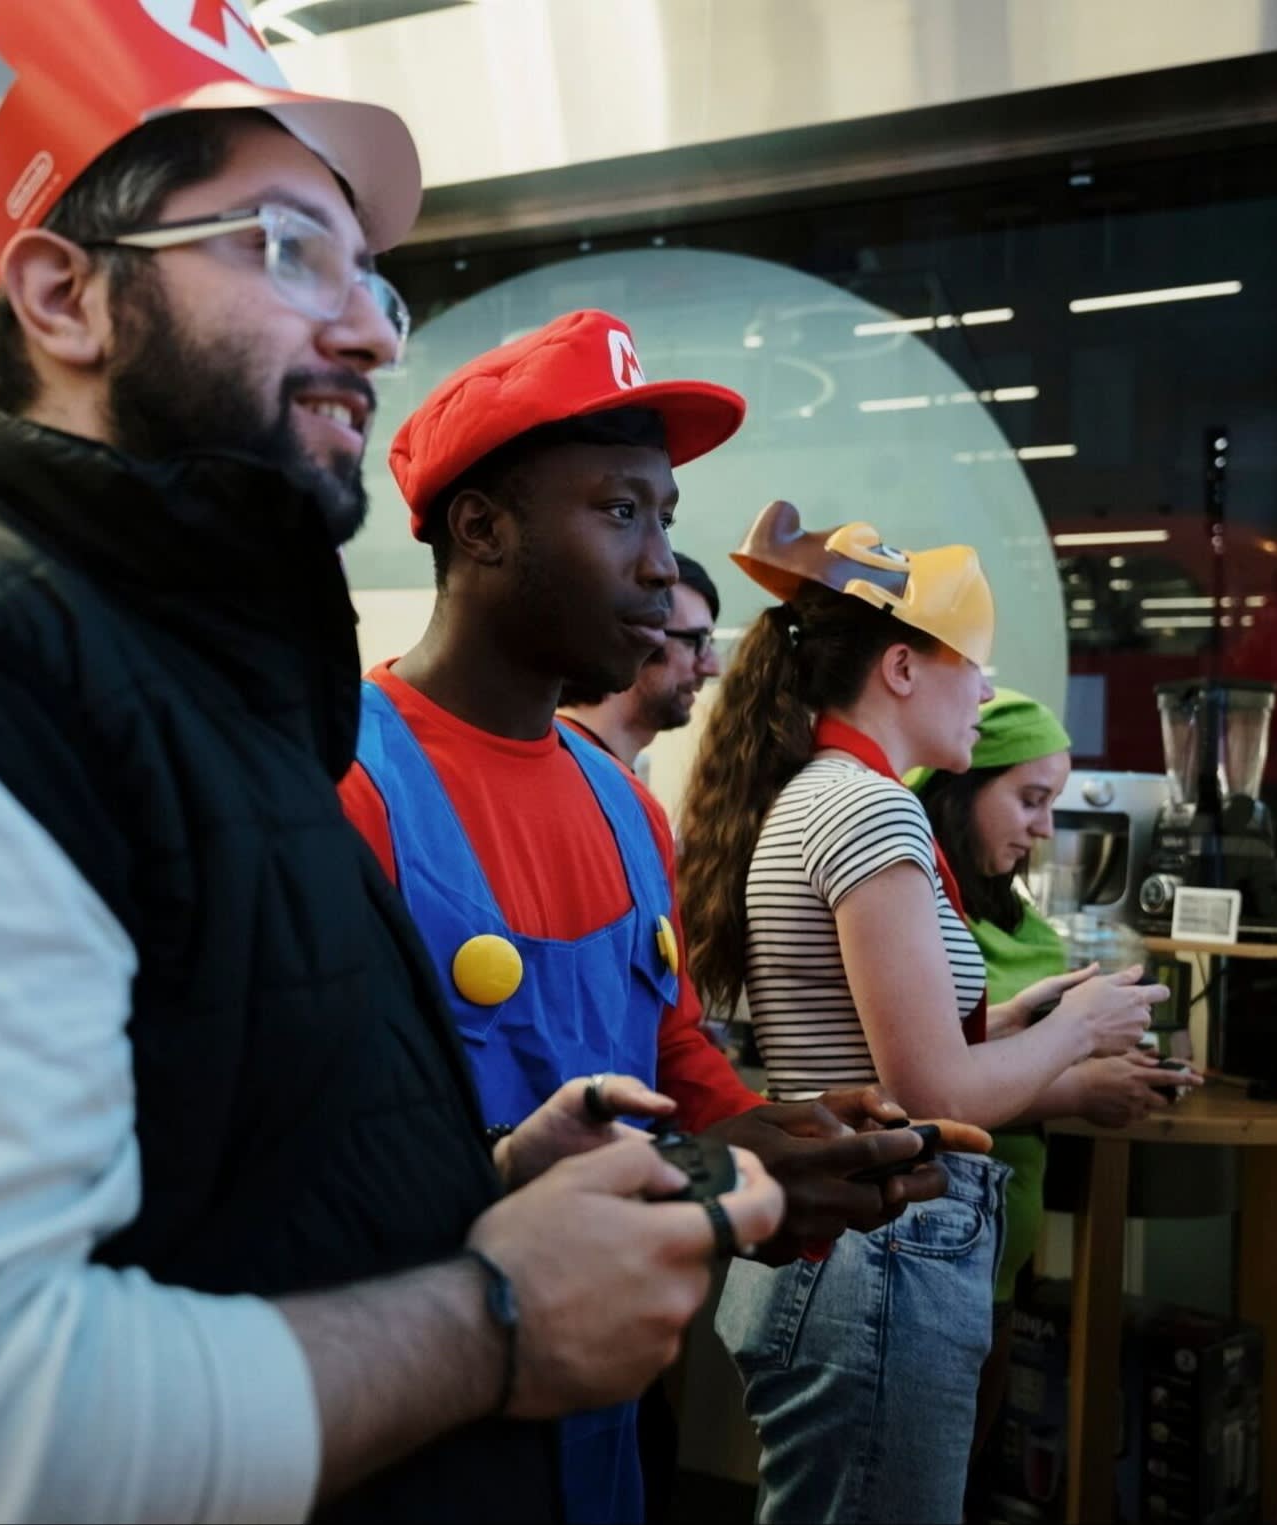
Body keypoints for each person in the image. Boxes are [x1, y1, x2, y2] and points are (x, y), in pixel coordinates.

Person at [0, 6, 786, 1520]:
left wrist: (473, 1188)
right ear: (64, 298)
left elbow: (198, 1184)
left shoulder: (205, 696)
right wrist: (492, 1319)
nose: (360, 331)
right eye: (280, 247)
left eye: (368, 280)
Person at [349, 311, 985, 1524]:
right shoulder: (346, 791)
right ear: (479, 528)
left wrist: (777, 1140)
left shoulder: (624, 805)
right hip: (420, 1420)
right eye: (617, 512)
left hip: (605, 1419)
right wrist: (713, 1165)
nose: (657, 566)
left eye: (666, 518)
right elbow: (328, 1177)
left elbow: (671, 1050)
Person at [675, 506, 1165, 1524]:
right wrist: (1079, 1030)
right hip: (881, 1253)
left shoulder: (824, 793)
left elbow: (879, 1044)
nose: (987, 691)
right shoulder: (869, 806)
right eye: (972, 663)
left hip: (848, 1254)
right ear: (901, 667)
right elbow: (928, 1090)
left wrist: (1026, 1014)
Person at [909, 689, 1201, 1467]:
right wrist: (1077, 1085)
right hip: (920, 1247)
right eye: (1030, 799)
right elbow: (928, 1082)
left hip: (997, 1249)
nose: (1044, 827)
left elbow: (1004, 1048)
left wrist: (1117, 1061)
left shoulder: (1021, 921)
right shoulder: (913, 912)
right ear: (963, 787)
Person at [558, 552, 724, 777]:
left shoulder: (599, 775)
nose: (712, 668)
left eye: (710, 642)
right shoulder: (570, 779)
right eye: (693, 641)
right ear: (631, 639)